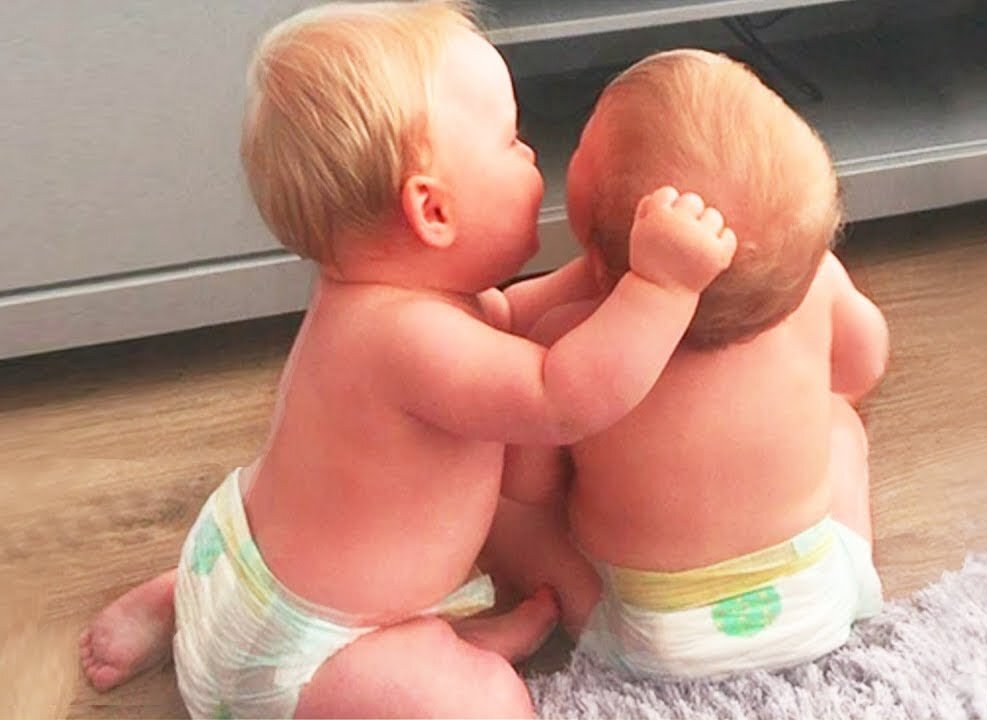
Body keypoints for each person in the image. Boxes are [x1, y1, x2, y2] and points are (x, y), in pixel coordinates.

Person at [79, 5, 738, 717]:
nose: (530, 155)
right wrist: (664, 289)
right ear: (433, 212)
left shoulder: (388, 300)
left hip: (238, 556)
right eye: (510, 139)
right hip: (308, 657)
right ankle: (420, 655)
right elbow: (559, 397)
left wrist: (606, 273)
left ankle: (185, 598)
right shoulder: (407, 341)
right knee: (488, 702)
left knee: (320, 555)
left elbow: (510, 323)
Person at [482, 48, 890, 679]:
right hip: (818, 603)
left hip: (650, 636)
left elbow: (530, 488)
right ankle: (857, 572)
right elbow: (861, 371)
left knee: (506, 510)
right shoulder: (819, 285)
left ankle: (550, 605)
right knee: (842, 426)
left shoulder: (569, 339)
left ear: (596, 253)